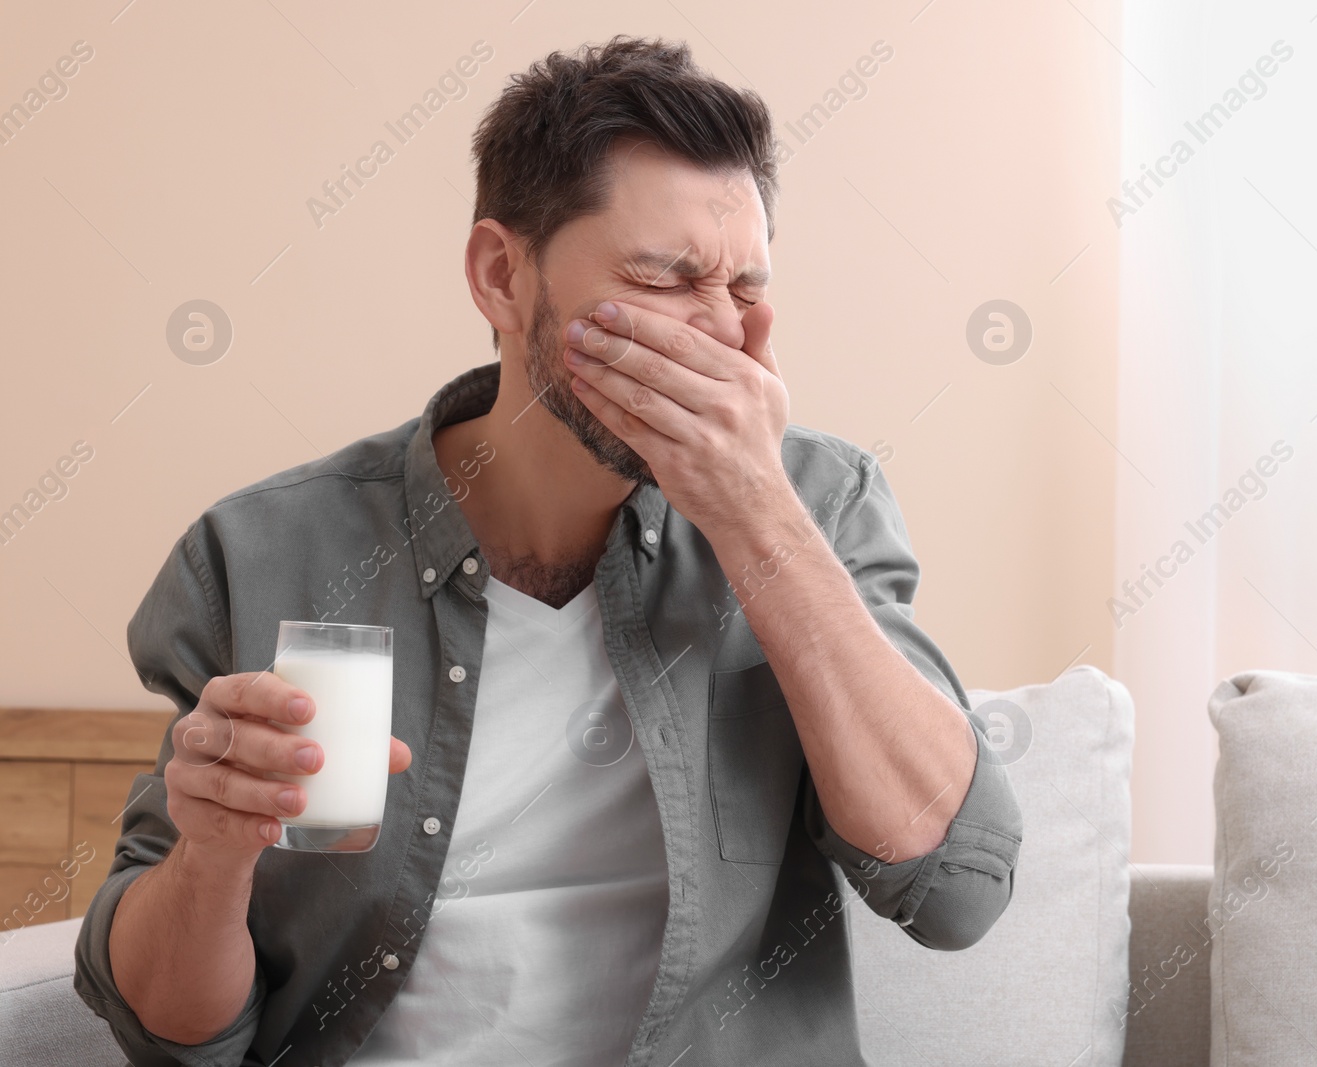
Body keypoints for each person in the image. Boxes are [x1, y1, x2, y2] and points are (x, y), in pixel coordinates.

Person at [73, 35, 1022, 1067]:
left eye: (744, 288)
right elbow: (173, 1038)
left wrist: (756, 511)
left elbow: (955, 892)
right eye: (664, 278)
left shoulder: (820, 503)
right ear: (499, 275)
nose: (717, 333)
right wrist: (211, 857)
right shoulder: (265, 553)